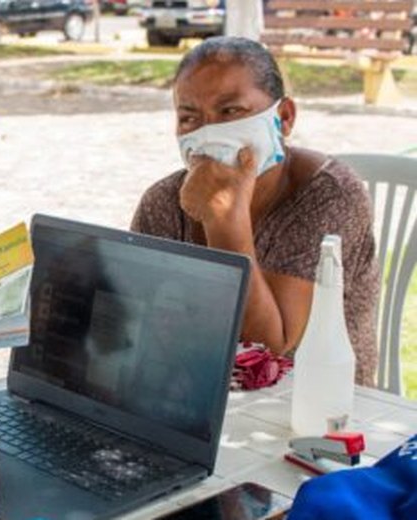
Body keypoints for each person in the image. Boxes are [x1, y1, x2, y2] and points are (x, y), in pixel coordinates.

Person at [131, 37, 379, 386]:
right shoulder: (164, 202)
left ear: (284, 118)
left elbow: (266, 348)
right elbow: (136, 319)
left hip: (319, 408)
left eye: (230, 111)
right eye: (189, 117)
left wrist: (223, 217)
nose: (208, 131)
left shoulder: (328, 196)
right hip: (196, 397)